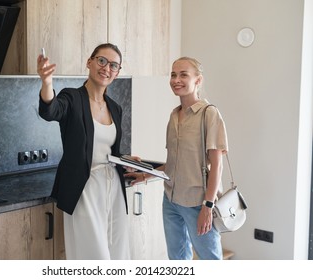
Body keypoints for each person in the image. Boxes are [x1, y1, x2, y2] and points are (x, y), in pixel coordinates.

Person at [125, 57, 228, 260]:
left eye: (183, 75)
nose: (176, 79)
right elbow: (174, 163)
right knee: (177, 260)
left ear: (198, 80)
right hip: (171, 201)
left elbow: (217, 165)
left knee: (211, 259)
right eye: (173, 74)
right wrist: (145, 175)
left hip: (198, 202)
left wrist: (208, 206)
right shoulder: (174, 115)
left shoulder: (209, 114)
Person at [37, 43, 131, 260]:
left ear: (117, 73)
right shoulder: (71, 98)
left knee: (118, 253)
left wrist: (126, 160)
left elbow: (108, 149)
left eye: (114, 65)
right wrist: (46, 82)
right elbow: (50, 110)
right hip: (84, 187)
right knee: (93, 256)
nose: (107, 68)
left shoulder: (115, 108)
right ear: (89, 62)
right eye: (102, 61)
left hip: (113, 187)